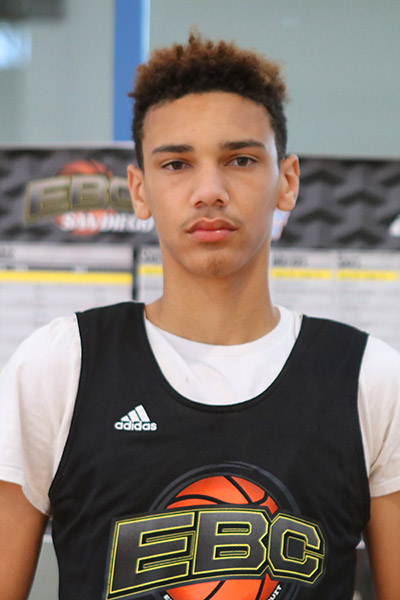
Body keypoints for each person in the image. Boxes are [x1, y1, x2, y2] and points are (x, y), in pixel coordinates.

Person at [1, 33, 400, 600]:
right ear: (139, 189)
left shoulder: (370, 379)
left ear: (287, 181)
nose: (209, 191)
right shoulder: (60, 364)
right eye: (177, 164)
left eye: (240, 160)